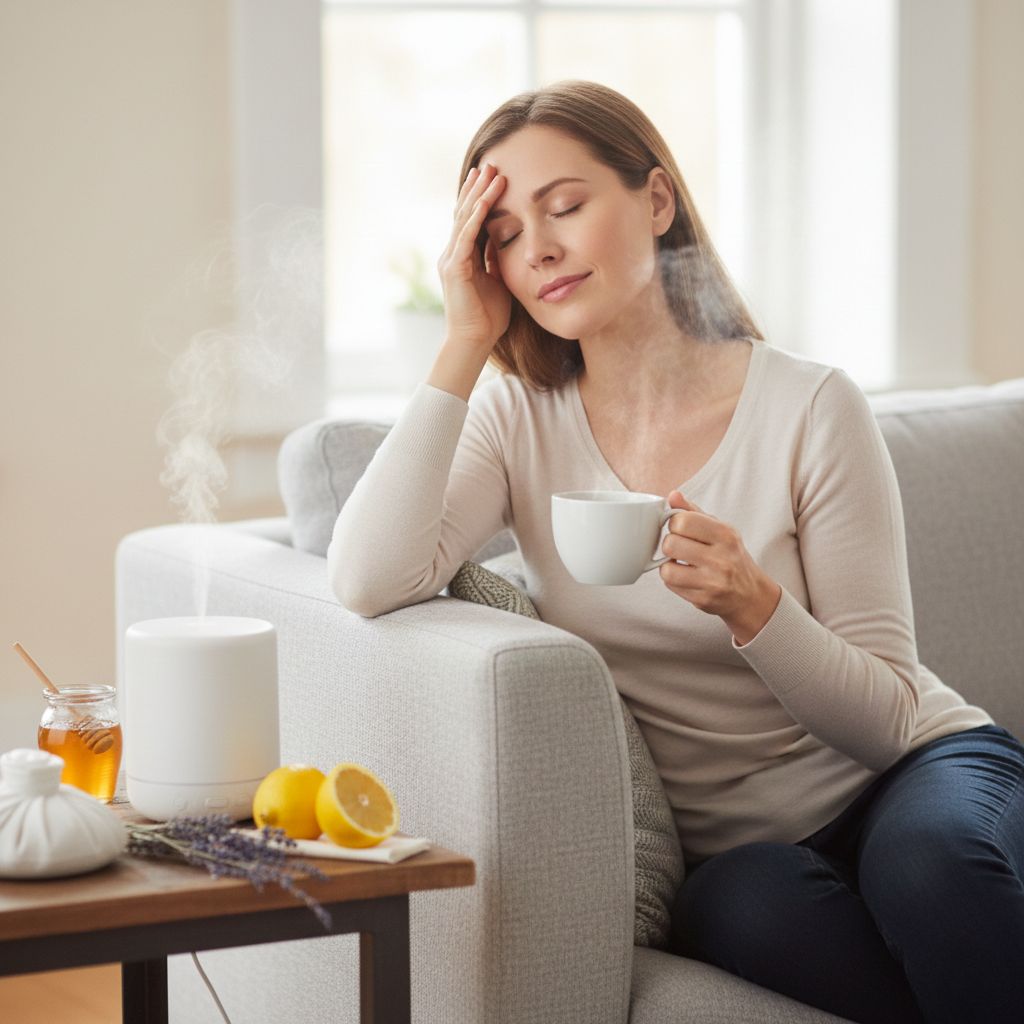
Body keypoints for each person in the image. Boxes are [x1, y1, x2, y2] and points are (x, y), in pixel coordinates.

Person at [327, 80, 1024, 1023]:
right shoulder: (516, 418)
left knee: (927, 867)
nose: (538, 249)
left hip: (915, 774)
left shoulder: (812, 406)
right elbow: (367, 578)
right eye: (503, 235)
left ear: (656, 200)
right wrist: (463, 341)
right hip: (749, 854)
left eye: (565, 206)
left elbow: (891, 723)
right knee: (743, 909)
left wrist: (756, 609)